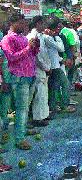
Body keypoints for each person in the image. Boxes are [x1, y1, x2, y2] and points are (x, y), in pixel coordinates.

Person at [1, 14, 39, 150]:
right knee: (19, 109)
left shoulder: (23, 37)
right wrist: (29, 48)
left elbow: (30, 55)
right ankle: (19, 138)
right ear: (13, 23)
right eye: (22, 23)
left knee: (23, 108)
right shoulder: (7, 39)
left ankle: (20, 132)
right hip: (18, 77)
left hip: (28, 75)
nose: (24, 26)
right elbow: (11, 57)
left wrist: (34, 48)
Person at [27, 16, 51, 127]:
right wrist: (44, 67)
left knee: (43, 93)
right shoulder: (33, 36)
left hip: (43, 68)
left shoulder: (40, 36)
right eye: (43, 24)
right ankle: (38, 118)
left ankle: (43, 115)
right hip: (38, 69)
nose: (45, 26)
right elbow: (36, 56)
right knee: (39, 94)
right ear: (38, 24)